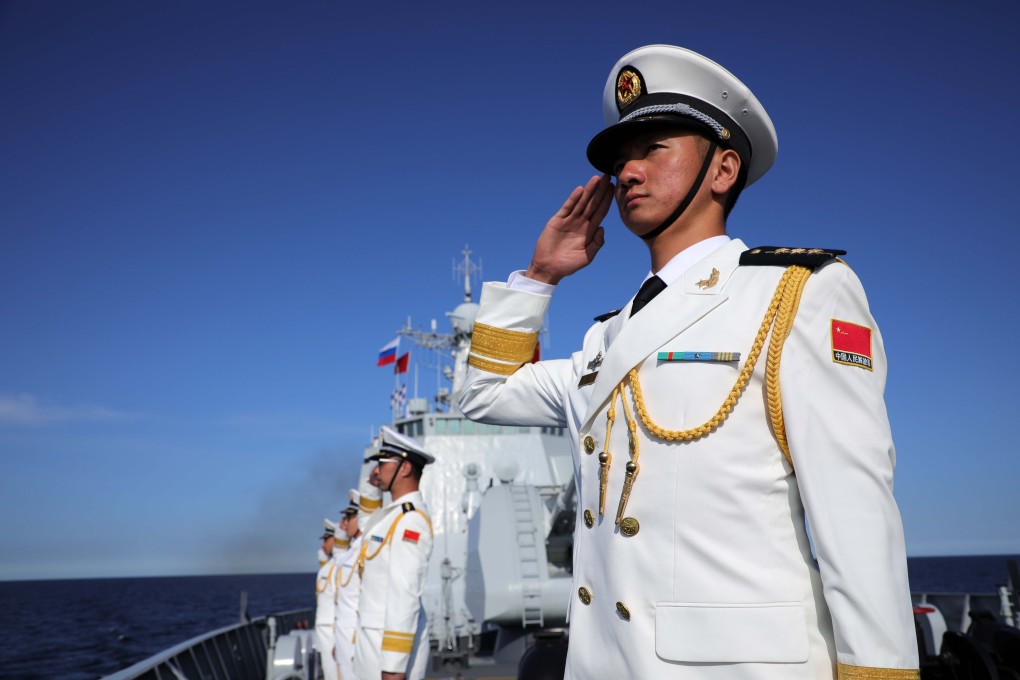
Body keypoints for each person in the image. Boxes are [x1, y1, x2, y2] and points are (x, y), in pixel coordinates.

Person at [458, 44, 918, 679]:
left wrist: (880, 672)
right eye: (621, 159)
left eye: (652, 149)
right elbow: (484, 394)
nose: (628, 172)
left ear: (723, 169)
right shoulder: (605, 342)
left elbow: (855, 511)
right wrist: (539, 278)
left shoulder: (795, 293)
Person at [354, 425, 435, 680]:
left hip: (387, 653)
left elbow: (405, 593)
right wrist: (370, 480)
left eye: (382, 463)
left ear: (405, 468)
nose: (377, 470)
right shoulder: (391, 517)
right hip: (372, 642)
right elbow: (365, 523)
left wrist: (394, 667)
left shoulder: (411, 521)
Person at [334, 490, 363, 680]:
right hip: (344, 637)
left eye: (349, 517)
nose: (343, 523)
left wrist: (356, 643)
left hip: (356, 639)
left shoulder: (365, 550)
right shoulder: (351, 552)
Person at [314, 519, 341, 680]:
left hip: (334, 632)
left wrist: (340, 639)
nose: (323, 544)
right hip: (325, 632)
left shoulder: (339, 566)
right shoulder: (328, 567)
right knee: (329, 673)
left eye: (326, 539)